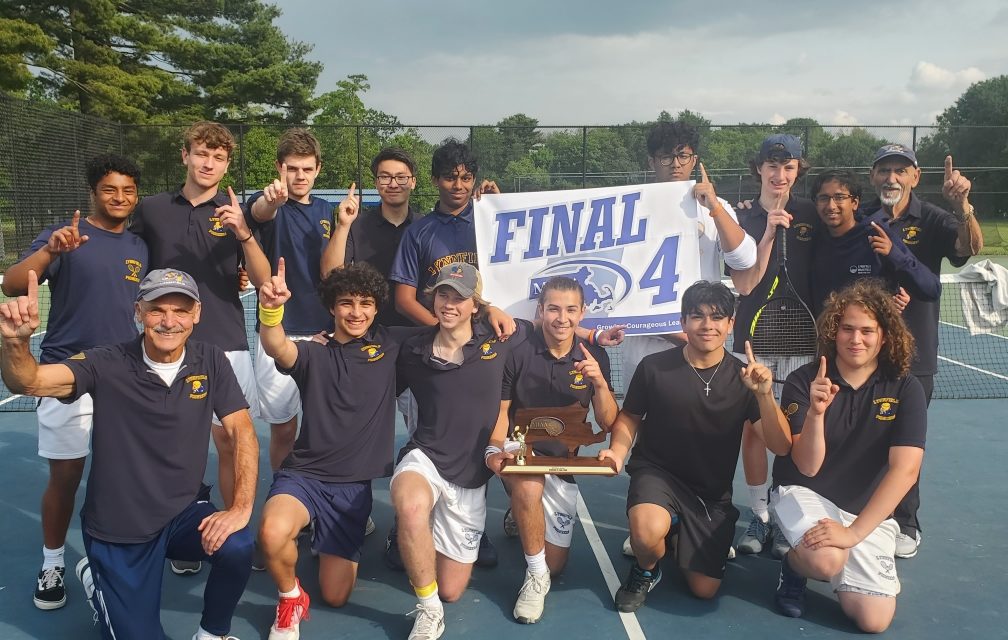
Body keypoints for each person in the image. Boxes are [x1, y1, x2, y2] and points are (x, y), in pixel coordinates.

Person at [0, 268, 258, 640]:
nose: (169, 321)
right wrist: (14, 344)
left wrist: (241, 507)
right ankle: (97, 579)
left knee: (238, 544)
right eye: (157, 310)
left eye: (181, 311)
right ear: (139, 311)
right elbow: (29, 381)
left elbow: (243, 431)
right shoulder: (106, 362)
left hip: (183, 512)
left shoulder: (212, 360)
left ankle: (211, 633)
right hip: (119, 530)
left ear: (197, 314)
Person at [1, 154, 149, 610]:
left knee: (126, 472)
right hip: (67, 370)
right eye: (110, 189)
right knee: (66, 475)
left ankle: (128, 554)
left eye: (127, 190)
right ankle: (53, 562)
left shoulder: (142, 247)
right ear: (93, 193)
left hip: (126, 372)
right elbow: (10, 284)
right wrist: (51, 251)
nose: (119, 198)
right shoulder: (65, 237)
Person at [256, 260, 427, 639]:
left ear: (377, 307)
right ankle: (289, 598)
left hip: (351, 488)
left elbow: (446, 329)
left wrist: (489, 309)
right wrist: (271, 309)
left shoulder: (391, 343)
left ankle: (327, 536)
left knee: (335, 597)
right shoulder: (313, 353)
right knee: (270, 532)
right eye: (346, 303)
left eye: (365, 303)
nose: (356, 311)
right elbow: (276, 345)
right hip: (305, 475)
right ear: (332, 307)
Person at [598, 281, 791, 612]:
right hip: (657, 473)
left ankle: (677, 535)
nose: (707, 325)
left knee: (704, 590)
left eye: (717, 317)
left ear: (730, 324)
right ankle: (646, 569)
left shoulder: (745, 378)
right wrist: (617, 451)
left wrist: (764, 395)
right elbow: (629, 417)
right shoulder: (655, 367)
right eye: (697, 316)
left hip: (710, 493)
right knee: (645, 533)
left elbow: (781, 445)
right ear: (683, 322)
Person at [130, 121, 270, 575]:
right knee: (173, 444)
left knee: (233, 442)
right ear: (185, 156)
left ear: (226, 163)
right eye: (201, 154)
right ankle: (183, 532)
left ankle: (231, 527)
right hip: (167, 344)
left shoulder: (234, 212)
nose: (209, 163)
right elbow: (126, 259)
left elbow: (264, 279)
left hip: (227, 341)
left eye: (219, 157)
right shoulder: (151, 210)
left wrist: (243, 233)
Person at [619, 120, 758, 557]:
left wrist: (716, 208)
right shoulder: (630, 206)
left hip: (703, 341)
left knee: (710, 432)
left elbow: (745, 259)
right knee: (647, 433)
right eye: (665, 156)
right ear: (650, 162)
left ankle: (702, 517)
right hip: (647, 345)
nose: (675, 164)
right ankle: (652, 512)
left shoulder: (711, 206)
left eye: (683, 156)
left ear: (694, 159)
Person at [770, 279, 926, 633]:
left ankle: (838, 555)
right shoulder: (804, 380)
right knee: (825, 561)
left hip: (863, 509)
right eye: (848, 329)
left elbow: (905, 471)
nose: (856, 339)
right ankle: (795, 567)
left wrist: (853, 533)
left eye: (868, 331)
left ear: (884, 336)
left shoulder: (905, 387)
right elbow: (807, 466)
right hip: (804, 491)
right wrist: (816, 413)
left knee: (874, 620)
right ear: (833, 332)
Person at [390, 262, 535, 640]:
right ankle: (428, 609)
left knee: (452, 589)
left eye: (460, 297)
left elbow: (554, 327)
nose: (449, 304)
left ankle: (422, 537)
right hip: (425, 456)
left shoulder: (502, 339)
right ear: (433, 298)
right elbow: (360, 335)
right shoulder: (413, 346)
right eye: (443, 295)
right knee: (409, 505)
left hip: (471, 474)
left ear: (475, 304)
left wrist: (598, 338)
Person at [387, 139, 502, 569]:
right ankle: (412, 528)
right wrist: (447, 329)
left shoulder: (490, 222)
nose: (458, 184)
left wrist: (501, 208)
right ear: (435, 180)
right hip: (433, 357)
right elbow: (403, 298)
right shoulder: (420, 232)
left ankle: (474, 530)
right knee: (427, 439)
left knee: (478, 440)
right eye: (450, 176)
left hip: (481, 356)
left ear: (474, 181)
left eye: (466, 177)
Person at [864, 145, 983, 558]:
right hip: (861, 353)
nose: (891, 178)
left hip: (916, 356)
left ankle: (906, 521)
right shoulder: (863, 215)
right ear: (873, 175)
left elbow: (969, 249)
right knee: (862, 435)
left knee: (905, 442)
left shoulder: (932, 217)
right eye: (884, 170)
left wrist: (963, 204)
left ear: (915, 177)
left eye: (901, 170)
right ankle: (865, 511)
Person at [485, 276, 618, 624]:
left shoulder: (595, 356)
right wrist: (494, 449)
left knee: (556, 564)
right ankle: (534, 576)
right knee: (529, 487)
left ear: (582, 312)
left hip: (562, 459)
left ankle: (528, 526)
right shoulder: (517, 351)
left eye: (571, 310)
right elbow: (501, 411)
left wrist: (600, 384)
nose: (562, 318)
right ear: (540, 311)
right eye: (554, 309)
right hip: (522, 446)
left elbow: (607, 423)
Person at [728, 134, 817, 559]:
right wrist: (763, 229)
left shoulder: (814, 218)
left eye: (789, 168)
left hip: (802, 339)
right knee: (754, 428)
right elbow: (742, 284)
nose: (779, 175)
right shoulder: (740, 218)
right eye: (772, 166)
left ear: (798, 171)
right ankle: (759, 514)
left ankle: (786, 516)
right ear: (759, 169)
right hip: (752, 340)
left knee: (793, 431)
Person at [247, 128, 334, 473]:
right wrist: (272, 200)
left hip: (324, 334)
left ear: (318, 170)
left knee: (323, 428)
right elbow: (258, 212)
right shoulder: (270, 201)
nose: (300, 176)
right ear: (279, 167)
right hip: (277, 332)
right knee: (284, 429)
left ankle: (324, 500)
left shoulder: (328, 210)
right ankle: (284, 495)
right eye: (292, 168)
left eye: (307, 169)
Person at [322, 146, 421, 434]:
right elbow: (330, 274)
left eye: (401, 177)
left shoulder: (426, 226)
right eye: (385, 177)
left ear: (413, 181)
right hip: (365, 339)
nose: (393, 183)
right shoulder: (356, 224)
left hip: (416, 341)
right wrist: (342, 225)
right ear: (376, 182)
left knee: (422, 430)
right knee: (357, 431)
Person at [809, 169, 939, 316]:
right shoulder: (812, 239)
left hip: (872, 337)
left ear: (854, 203)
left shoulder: (879, 236)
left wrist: (894, 254)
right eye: (823, 198)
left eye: (839, 197)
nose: (831, 206)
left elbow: (931, 290)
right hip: (826, 336)